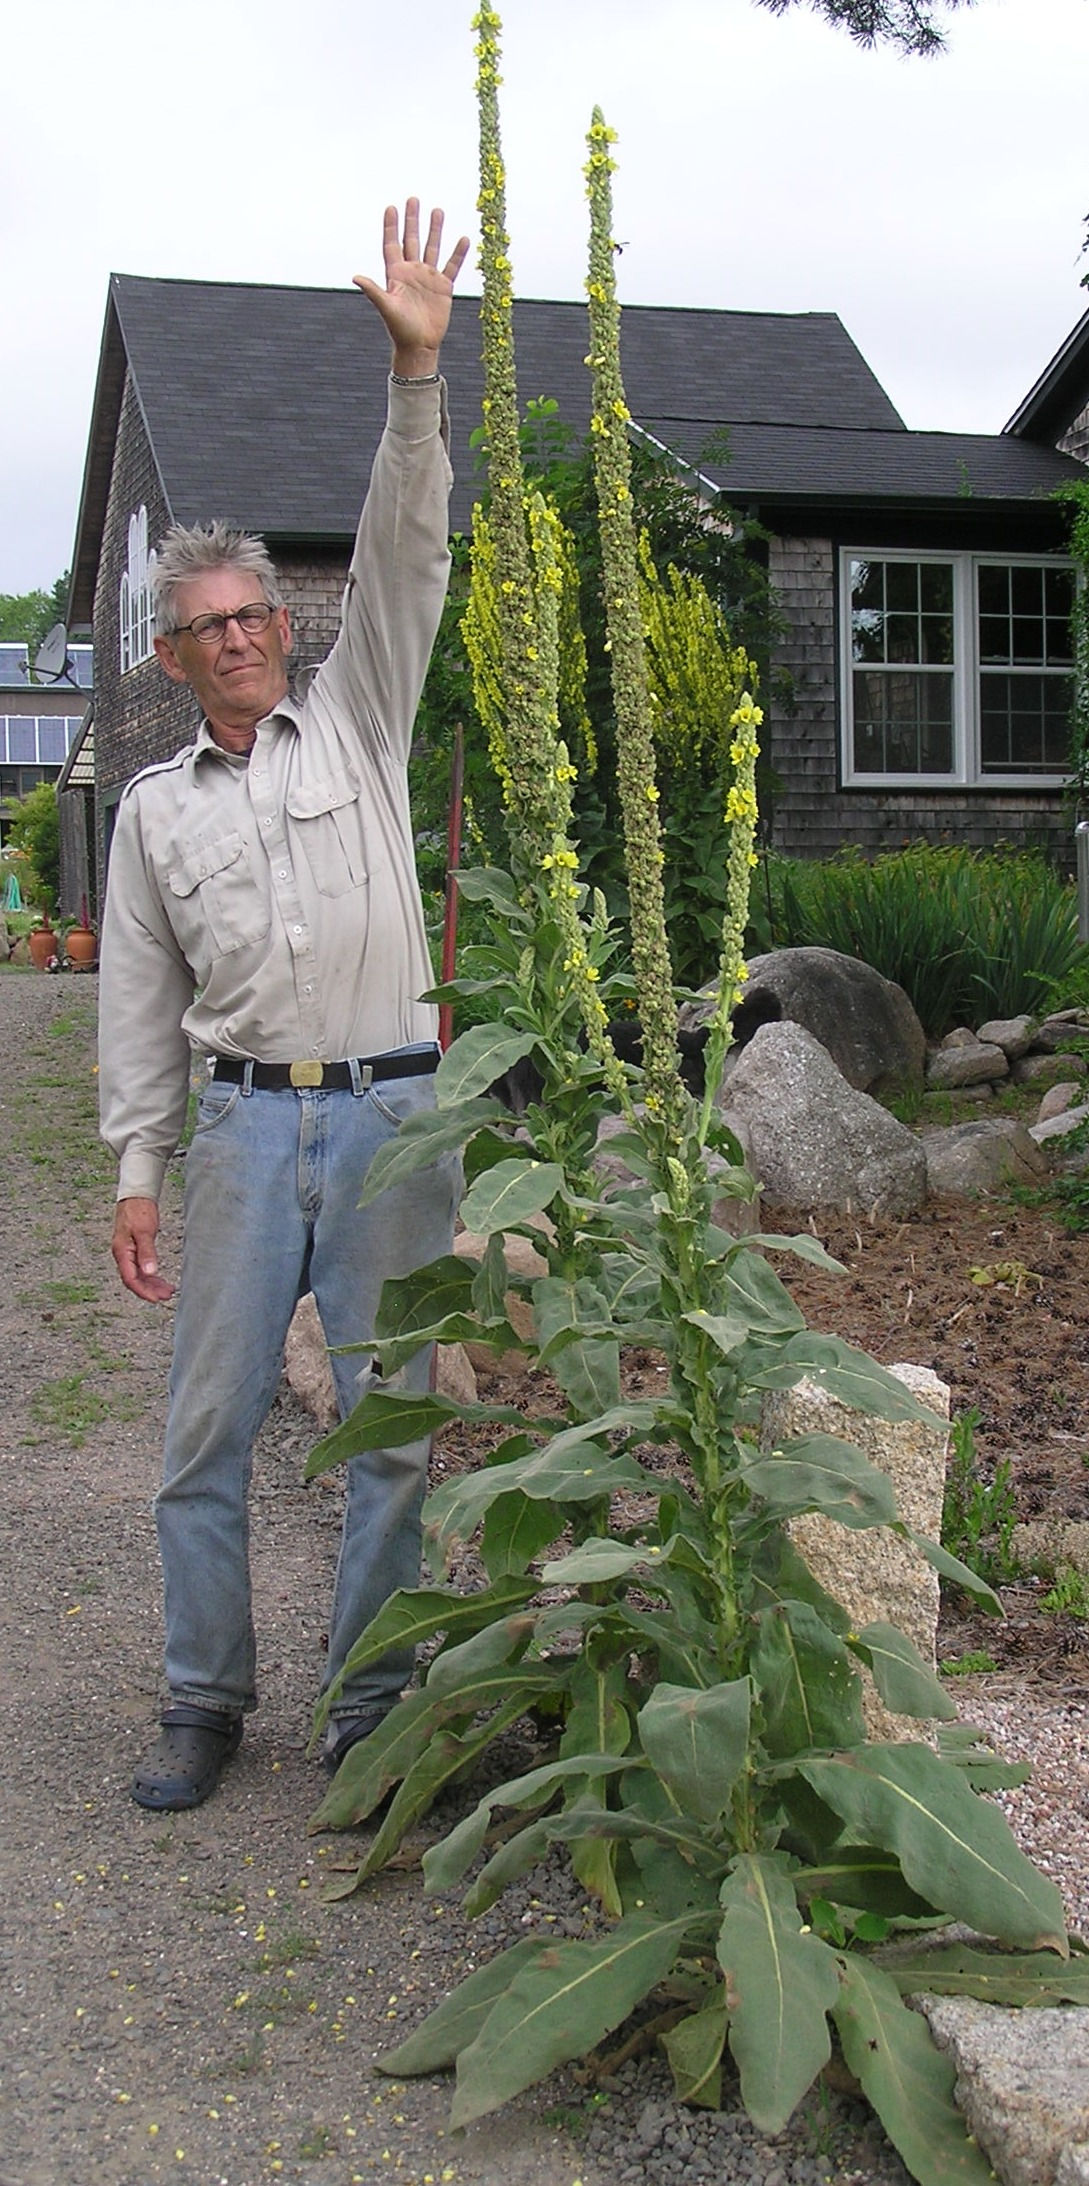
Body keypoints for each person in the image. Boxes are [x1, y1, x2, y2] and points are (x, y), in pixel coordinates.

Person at [98, 201, 470, 1811]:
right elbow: (136, 1000)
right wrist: (137, 1168)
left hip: (393, 1115)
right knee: (207, 1432)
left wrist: (413, 379)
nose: (243, 637)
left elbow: (406, 548)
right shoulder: (151, 813)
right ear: (174, 656)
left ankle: (370, 1703)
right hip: (245, 1129)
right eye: (211, 626)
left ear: (285, 627)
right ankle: (204, 1698)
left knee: (389, 1427)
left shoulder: (363, 720)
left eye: (257, 614)